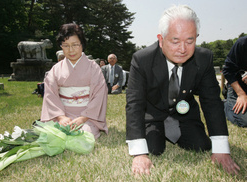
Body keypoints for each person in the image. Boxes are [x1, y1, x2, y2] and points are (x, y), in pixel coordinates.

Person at [126, 5, 240, 175]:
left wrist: (221, 149)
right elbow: (134, 103)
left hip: (185, 115)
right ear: (161, 39)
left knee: (202, 145)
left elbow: (212, 102)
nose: (183, 49)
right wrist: (139, 153)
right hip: (153, 115)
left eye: (190, 41)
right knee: (153, 148)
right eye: (175, 41)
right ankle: (158, 134)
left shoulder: (204, 59)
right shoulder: (142, 60)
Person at [41, 23, 108, 139]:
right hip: (62, 115)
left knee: (84, 134)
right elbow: (50, 95)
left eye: (75, 45)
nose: (71, 50)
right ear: (61, 46)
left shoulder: (93, 68)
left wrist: (82, 118)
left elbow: (99, 95)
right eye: (66, 45)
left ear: (82, 44)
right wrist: (61, 117)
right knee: (51, 134)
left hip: (87, 116)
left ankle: (86, 124)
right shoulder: (56, 69)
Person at [222, 36, 247, 127]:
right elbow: (228, 71)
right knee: (244, 121)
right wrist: (241, 95)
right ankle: (224, 105)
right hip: (238, 88)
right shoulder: (242, 43)